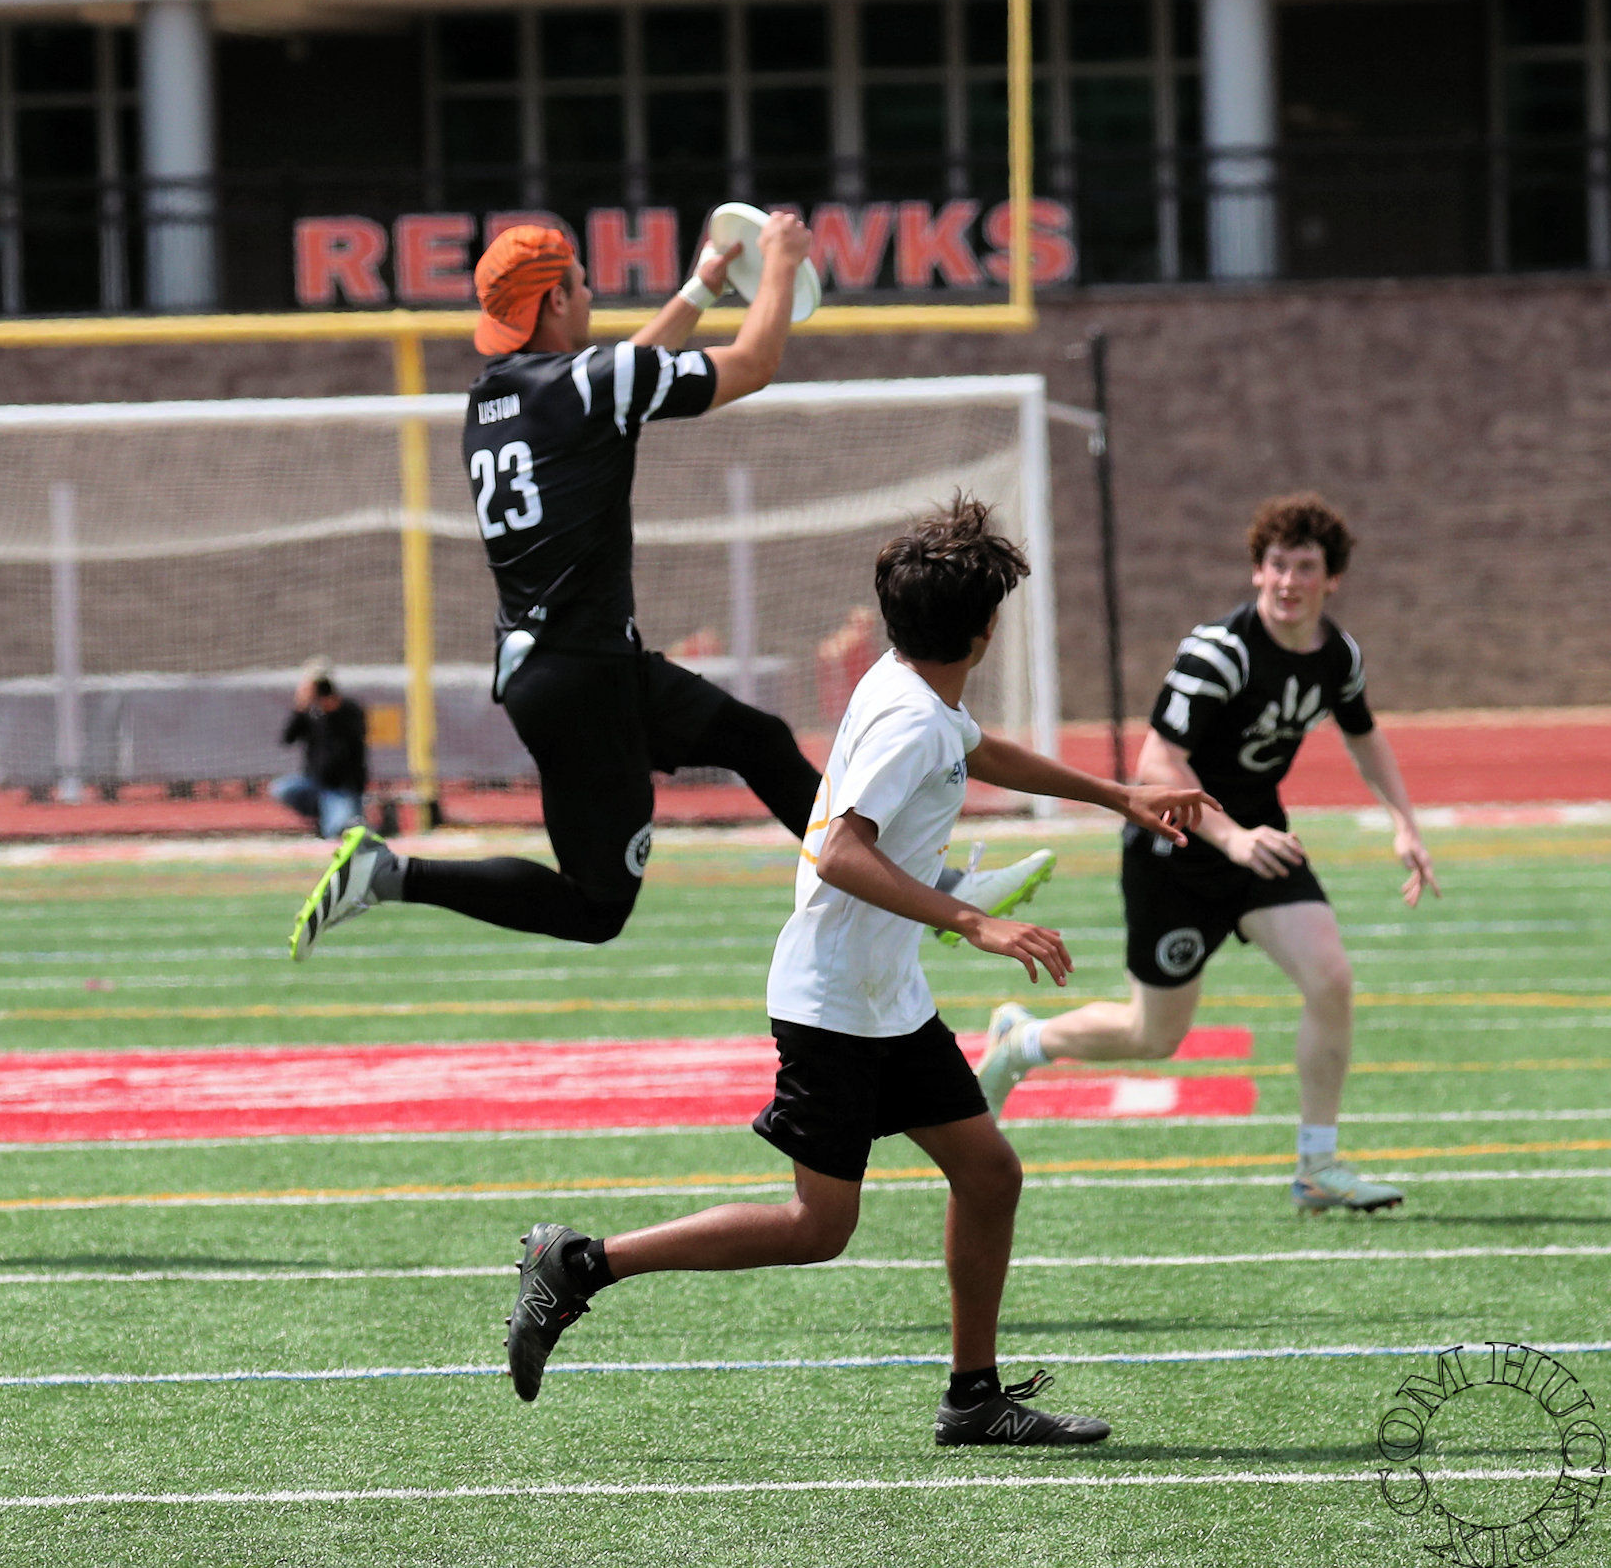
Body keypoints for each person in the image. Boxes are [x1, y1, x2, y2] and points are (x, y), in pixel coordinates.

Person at [503, 497, 1215, 1443]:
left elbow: (978, 747)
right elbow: (839, 851)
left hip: (886, 996)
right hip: (834, 1000)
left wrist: (1119, 793)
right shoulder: (911, 718)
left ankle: (973, 1396)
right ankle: (578, 1263)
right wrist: (972, 919)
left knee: (989, 1173)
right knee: (818, 1227)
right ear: (985, 631)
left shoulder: (914, 687)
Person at [289, 217, 1053, 959]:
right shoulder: (588, 384)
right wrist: (781, 264)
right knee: (595, 907)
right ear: (554, 300)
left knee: (758, 740)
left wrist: (701, 288)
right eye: (581, 282)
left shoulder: (492, 399)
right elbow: (750, 364)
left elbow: (622, 374)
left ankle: (935, 889)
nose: (591, 295)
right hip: (583, 674)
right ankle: (389, 874)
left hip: (572, 665)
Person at [977, 493, 1440, 1213]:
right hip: (1176, 850)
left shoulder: (1337, 656)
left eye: (1305, 568)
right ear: (1257, 571)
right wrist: (1232, 837)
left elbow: (1363, 733)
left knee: (1331, 979)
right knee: (1153, 1035)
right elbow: (1158, 763)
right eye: (1277, 565)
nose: (1288, 581)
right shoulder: (1220, 651)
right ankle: (1022, 1040)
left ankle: (1317, 1166)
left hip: (1259, 843)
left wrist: (1404, 823)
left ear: (1332, 579)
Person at [271, 660, 368, 840]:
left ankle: (336, 817)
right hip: (315, 783)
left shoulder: (348, 710)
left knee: (339, 832)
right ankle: (321, 815)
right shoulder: (311, 713)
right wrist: (300, 707)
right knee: (282, 788)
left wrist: (332, 710)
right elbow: (287, 738)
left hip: (341, 786)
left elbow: (350, 744)